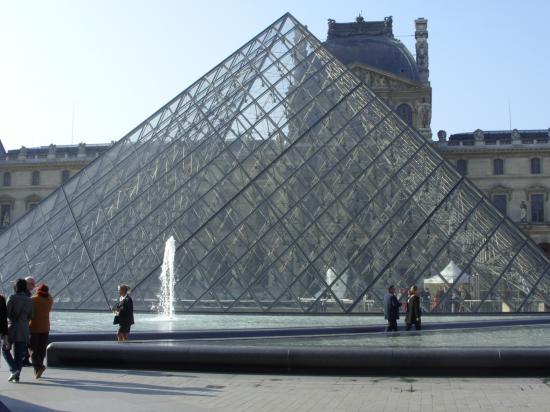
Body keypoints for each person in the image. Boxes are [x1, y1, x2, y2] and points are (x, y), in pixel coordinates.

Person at [2, 279, 33, 382]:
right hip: (24, 329)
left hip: (12, 327)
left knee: (4, 349)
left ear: (15, 287)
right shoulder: (29, 300)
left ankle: (13, 369)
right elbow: (31, 316)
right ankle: (17, 377)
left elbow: (6, 313)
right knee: (19, 355)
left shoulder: (12, 298)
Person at [29, 284, 53, 379]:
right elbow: (50, 296)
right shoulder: (50, 300)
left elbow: (29, 312)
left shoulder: (33, 299)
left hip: (34, 327)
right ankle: (38, 369)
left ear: (38, 291)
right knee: (41, 349)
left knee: (32, 348)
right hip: (45, 327)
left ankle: (39, 366)